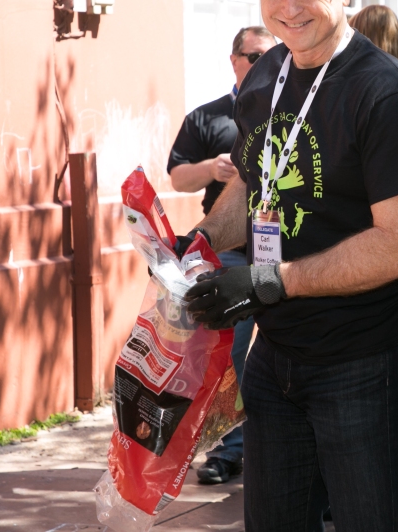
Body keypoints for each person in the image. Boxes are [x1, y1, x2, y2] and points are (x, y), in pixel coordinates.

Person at [180, 0, 398, 532]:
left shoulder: (392, 97)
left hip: (368, 354)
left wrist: (271, 280)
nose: (289, 8)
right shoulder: (267, 73)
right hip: (277, 352)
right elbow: (253, 177)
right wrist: (201, 242)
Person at [167, 26, 275, 484]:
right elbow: (177, 178)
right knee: (228, 353)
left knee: (289, 351)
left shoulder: (291, 107)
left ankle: (278, 446)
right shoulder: (209, 117)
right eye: (254, 56)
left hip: (290, 252)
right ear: (234, 60)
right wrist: (212, 168)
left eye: (272, 56)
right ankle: (230, 449)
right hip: (230, 253)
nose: (263, 64)